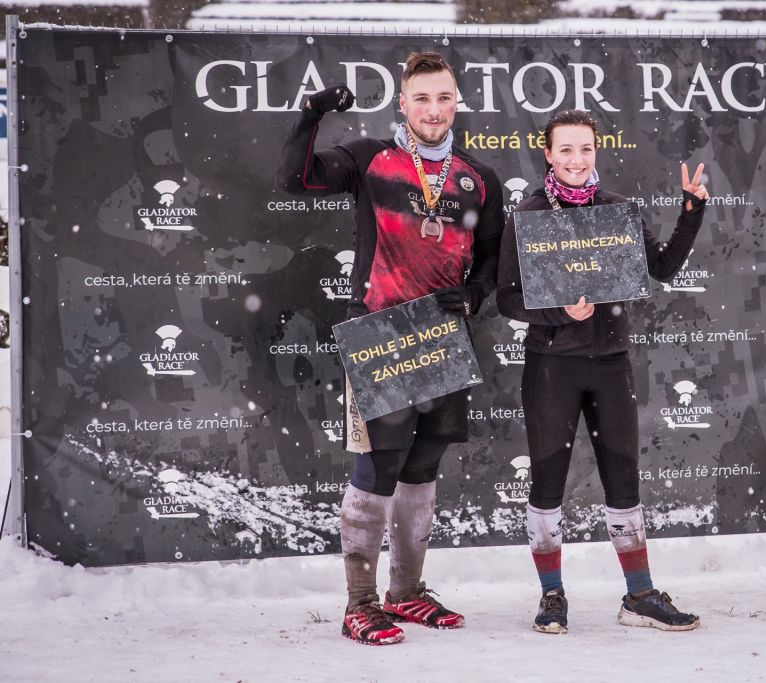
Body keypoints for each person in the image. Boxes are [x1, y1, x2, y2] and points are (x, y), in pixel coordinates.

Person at [277, 52, 503, 645]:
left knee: (423, 467)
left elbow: (491, 260)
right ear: (403, 103)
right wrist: (311, 115)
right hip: (378, 332)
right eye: (422, 98)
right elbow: (295, 180)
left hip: (443, 337)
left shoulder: (478, 176)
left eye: (444, 98)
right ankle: (359, 603)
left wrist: (474, 295)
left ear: (457, 103)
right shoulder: (368, 157)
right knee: (377, 467)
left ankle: (406, 592)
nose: (434, 109)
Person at [496, 109, 709, 634]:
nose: (576, 160)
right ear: (548, 154)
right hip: (551, 367)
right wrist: (559, 314)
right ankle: (552, 596)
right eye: (566, 149)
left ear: (597, 152)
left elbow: (661, 268)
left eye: (585, 149)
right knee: (547, 483)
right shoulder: (527, 214)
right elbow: (506, 299)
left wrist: (690, 211)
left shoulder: (616, 210)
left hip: (611, 364)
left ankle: (639, 596)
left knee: (623, 481)